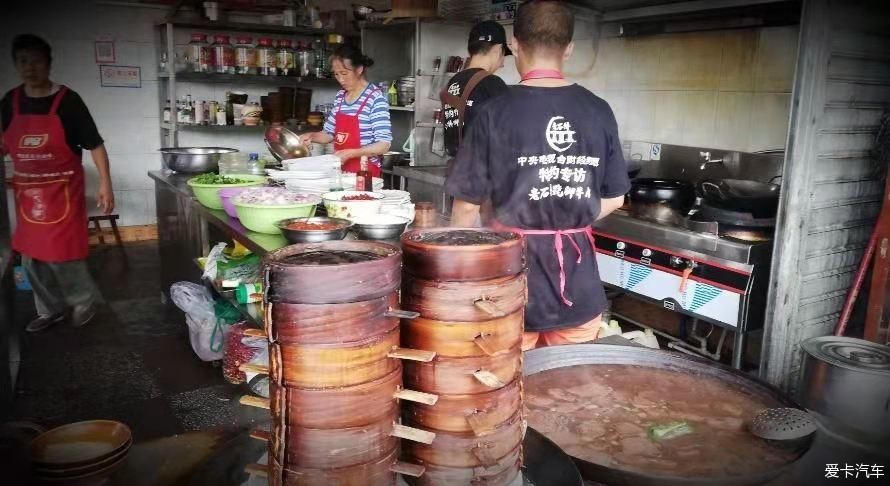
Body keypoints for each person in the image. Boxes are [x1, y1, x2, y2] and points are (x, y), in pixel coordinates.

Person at [444, 1, 630, 351]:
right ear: (569, 49)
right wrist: (567, 216)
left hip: (511, 279)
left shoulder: (494, 113)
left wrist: (459, 270)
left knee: (510, 392)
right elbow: (615, 198)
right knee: (567, 391)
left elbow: (466, 209)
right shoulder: (598, 110)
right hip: (579, 286)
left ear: (514, 44)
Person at [0, 34, 114, 332]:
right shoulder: (9, 102)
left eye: (36, 60)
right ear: (16, 64)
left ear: (48, 64)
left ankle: (83, 299)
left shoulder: (68, 101)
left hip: (63, 191)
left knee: (63, 254)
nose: (29, 67)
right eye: (23, 61)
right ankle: (50, 309)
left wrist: (105, 183)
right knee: (30, 259)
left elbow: (95, 145)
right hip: (28, 195)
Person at [300, 45, 392, 177]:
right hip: (340, 171)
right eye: (336, 74)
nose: (340, 79)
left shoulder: (375, 98)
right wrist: (311, 136)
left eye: (344, 73)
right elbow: (329, 134)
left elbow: (383, 145)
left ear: (359, 69)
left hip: (365, 171)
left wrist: (350, 153)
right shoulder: (340, 96)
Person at [441, 20, 510, 158]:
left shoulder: (454, 82)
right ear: (497, 49)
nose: (502, 63)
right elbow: (508, 134)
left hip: (457, 167)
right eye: (503, 55)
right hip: (483, 172)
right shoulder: (492, 83)